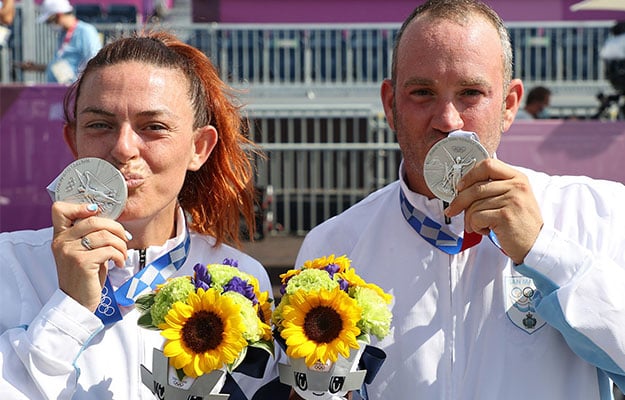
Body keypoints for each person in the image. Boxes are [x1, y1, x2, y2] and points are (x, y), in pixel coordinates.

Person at [295, 1, 625, 399]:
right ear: (390, 105)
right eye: (422, 93)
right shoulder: (333, 247)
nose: (448, 120)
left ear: (508, 105)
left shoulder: (597, 213)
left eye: (471, 93)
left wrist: (543, 250)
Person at [0, 31, 287, 399]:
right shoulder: (10, 265)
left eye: (153, 127)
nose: (123, 148)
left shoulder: (242, 278)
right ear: (74, 141)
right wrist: (70, 306)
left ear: (199, 148)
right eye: (100, 125)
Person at [18, 0, 101, 83]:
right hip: (61, 87)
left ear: (58, 15)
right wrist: (36, 67)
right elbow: (62, 66)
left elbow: (94, 63)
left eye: (49, 21)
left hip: (75, 88)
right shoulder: (64, 34)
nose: (50, 24)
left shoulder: (86, 31)